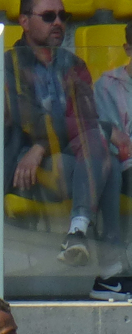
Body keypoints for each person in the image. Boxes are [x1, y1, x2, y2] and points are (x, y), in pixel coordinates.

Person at [5, 0, 125, 276]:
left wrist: (43, 144)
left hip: (68, 156)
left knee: (98, 146)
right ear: (24, 21)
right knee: (108, 162)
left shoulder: (74, 65)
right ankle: (111, 262)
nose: (58, 22)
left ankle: (78, 232)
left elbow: (86, 120)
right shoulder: (7, 64)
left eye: (62, 16)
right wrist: (39, 146)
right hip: (24, 164)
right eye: (48, 16)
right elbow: (29, 121)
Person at [92, 21, 132, 300]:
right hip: (120, 166)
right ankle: (110, 276)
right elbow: (118, 144)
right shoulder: (108, 86)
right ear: (128, 48)